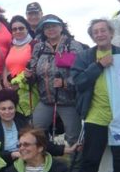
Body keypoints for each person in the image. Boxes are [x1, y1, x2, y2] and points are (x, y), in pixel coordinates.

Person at [71, 19, 120, 172]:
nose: (100, 34)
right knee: (90, 160)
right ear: (92, 36)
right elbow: (77, 82)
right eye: (95, 32)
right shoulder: (84, 56)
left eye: (103, 30)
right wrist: (98, 65)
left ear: (111, 33)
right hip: (95, 116)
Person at [26, 14, 84, 146]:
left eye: (54, 26)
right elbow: (34, 71)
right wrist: (29, 75)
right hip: (46, 101)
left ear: (61, 27)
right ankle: (41, 161)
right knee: (33, 132)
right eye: (47, 27)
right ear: (43, 30)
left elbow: (81, 73)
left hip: (69, 101)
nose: (50, 29)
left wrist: (65, 83)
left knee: (73, 139)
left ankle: (75, 165)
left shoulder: (73, 46)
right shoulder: (38, 48)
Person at [0, 89, 75, 167]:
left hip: (28, 159)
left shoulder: (22, 122)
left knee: (60, 166)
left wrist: (66, 150)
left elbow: (40, 142)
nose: (7, 112)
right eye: (3, 109)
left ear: (15, 108)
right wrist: (11, 155)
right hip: (6, 165)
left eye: (10, 108)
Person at [2, 15, 34, 89]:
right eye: (14, 29)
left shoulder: (34, 45)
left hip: (27, 89)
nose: (18, 31)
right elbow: (6, 66)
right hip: (10, 89)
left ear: (27, 29)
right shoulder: (11, 46)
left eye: (21, 28)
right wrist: (4, 80)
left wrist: (19, 83)